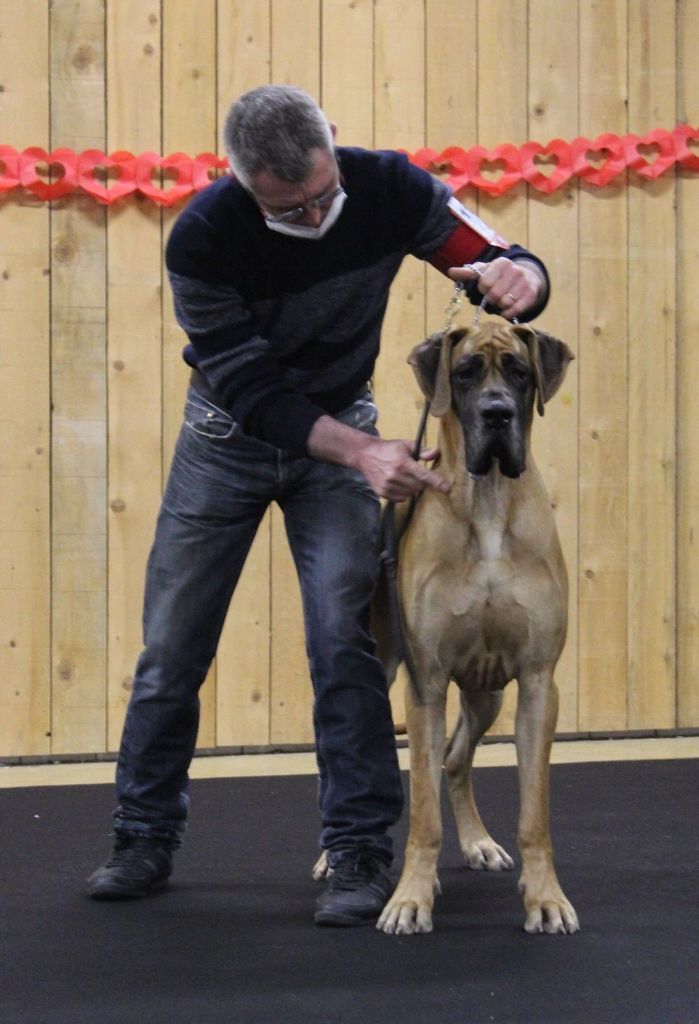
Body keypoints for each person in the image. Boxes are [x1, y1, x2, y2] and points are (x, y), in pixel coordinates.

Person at [86, 85, 550, 926]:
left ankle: (361, 852)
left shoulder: (388, 187)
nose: (311, 217)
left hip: (345, 427)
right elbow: (252, 388)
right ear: (239, 182)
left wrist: (518, 275)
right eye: (285, 208)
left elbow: (493, 254)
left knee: (348, 642)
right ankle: (141, 837)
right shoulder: (203, 238)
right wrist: (364, 451)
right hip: (227, 440)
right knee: (171, 648)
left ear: (332, 143)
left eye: (321, 195)